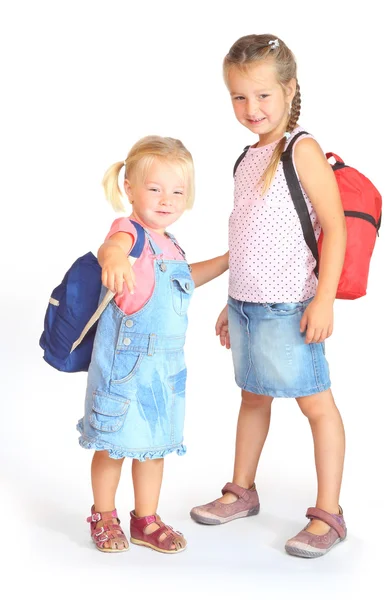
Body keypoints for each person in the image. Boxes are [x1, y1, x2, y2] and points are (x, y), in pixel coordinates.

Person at [190, 34, 348, 558]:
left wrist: (323, 299)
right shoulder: (247, 157)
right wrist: (230, 302)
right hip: (247, 307)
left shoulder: (301, 149)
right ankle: (243, 490)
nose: (250, 108)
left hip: (292, 307)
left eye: (262, 95)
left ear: (289, 89)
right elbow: (247, 237)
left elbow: (335, 227)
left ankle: (329, 513)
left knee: (316, 406)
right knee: (252, 398)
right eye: (238, 97)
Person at [77, 135, 228, 554]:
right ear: (129, 188)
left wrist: (228, 259)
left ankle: (145, 518)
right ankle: (104, 515)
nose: (167, 199)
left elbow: (186, 278)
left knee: (153, 449)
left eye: (177, 191)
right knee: (112, 447)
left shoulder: (172, 244)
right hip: (124, 370)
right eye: (155, 188)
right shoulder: (131, 232)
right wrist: (112, 260)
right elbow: (113, 247)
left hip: (164, 372)